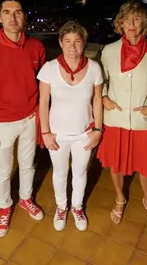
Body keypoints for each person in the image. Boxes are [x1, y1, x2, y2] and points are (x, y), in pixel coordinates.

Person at [0, 0, 46, 237]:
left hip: (30, 119)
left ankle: (25, 198)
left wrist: (39, 116)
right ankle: (4, 207)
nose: (13, 18)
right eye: (7, 12)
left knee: (28, 164)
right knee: (2, 170)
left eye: (18, 12)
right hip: (1, 123)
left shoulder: (36, 47)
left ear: (24, 16)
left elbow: (41, 83)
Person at [96, 1, 147, 229]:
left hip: (142, 121)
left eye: (136, 19)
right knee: (115, 166)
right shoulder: (109, 51)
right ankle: (120, 197)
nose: (131, 24)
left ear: (144, 23)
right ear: (120, 23)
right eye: (127, 19)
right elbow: (101, 81)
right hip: (115, 120)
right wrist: (105, 98)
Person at [38, 21, 104, 231]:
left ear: (84, 43)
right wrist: (46, 133)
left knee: (80, 172)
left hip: (84, 133)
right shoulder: (49, 68)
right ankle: (61, 206)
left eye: (77, 41)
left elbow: (97, 100)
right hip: (57, 134)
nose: (72, 47)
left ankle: (76, 206)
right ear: (60, 43)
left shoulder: (94, 68)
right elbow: (43, 102)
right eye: (67, 41)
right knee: (59, 172)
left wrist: (98, 130)